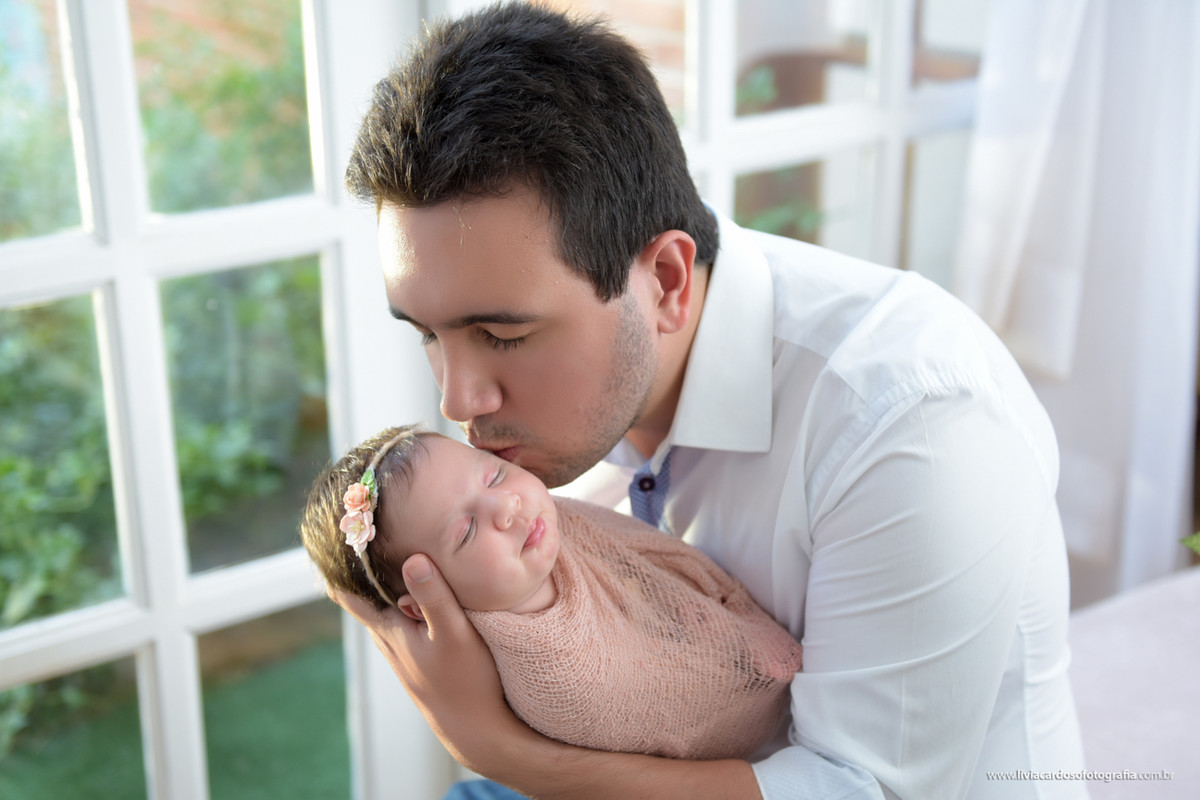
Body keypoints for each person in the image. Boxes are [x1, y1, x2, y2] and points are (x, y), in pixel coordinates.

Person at [333, 3, 1088, 798]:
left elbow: (860, 789)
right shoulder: (538, 448)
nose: (458, 399)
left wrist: (503, 752)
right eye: (428, 332)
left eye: (502, 334)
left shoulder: (912, 418)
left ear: (665, 280)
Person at [300, 425, 805, 760]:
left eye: (493, 474)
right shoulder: (556, 678)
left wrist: (712, 602)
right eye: (466, 532)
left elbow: (657, 554)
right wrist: (745, 649)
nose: (506, 507)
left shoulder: (543, 530)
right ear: (424, 604)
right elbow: (700, 717)